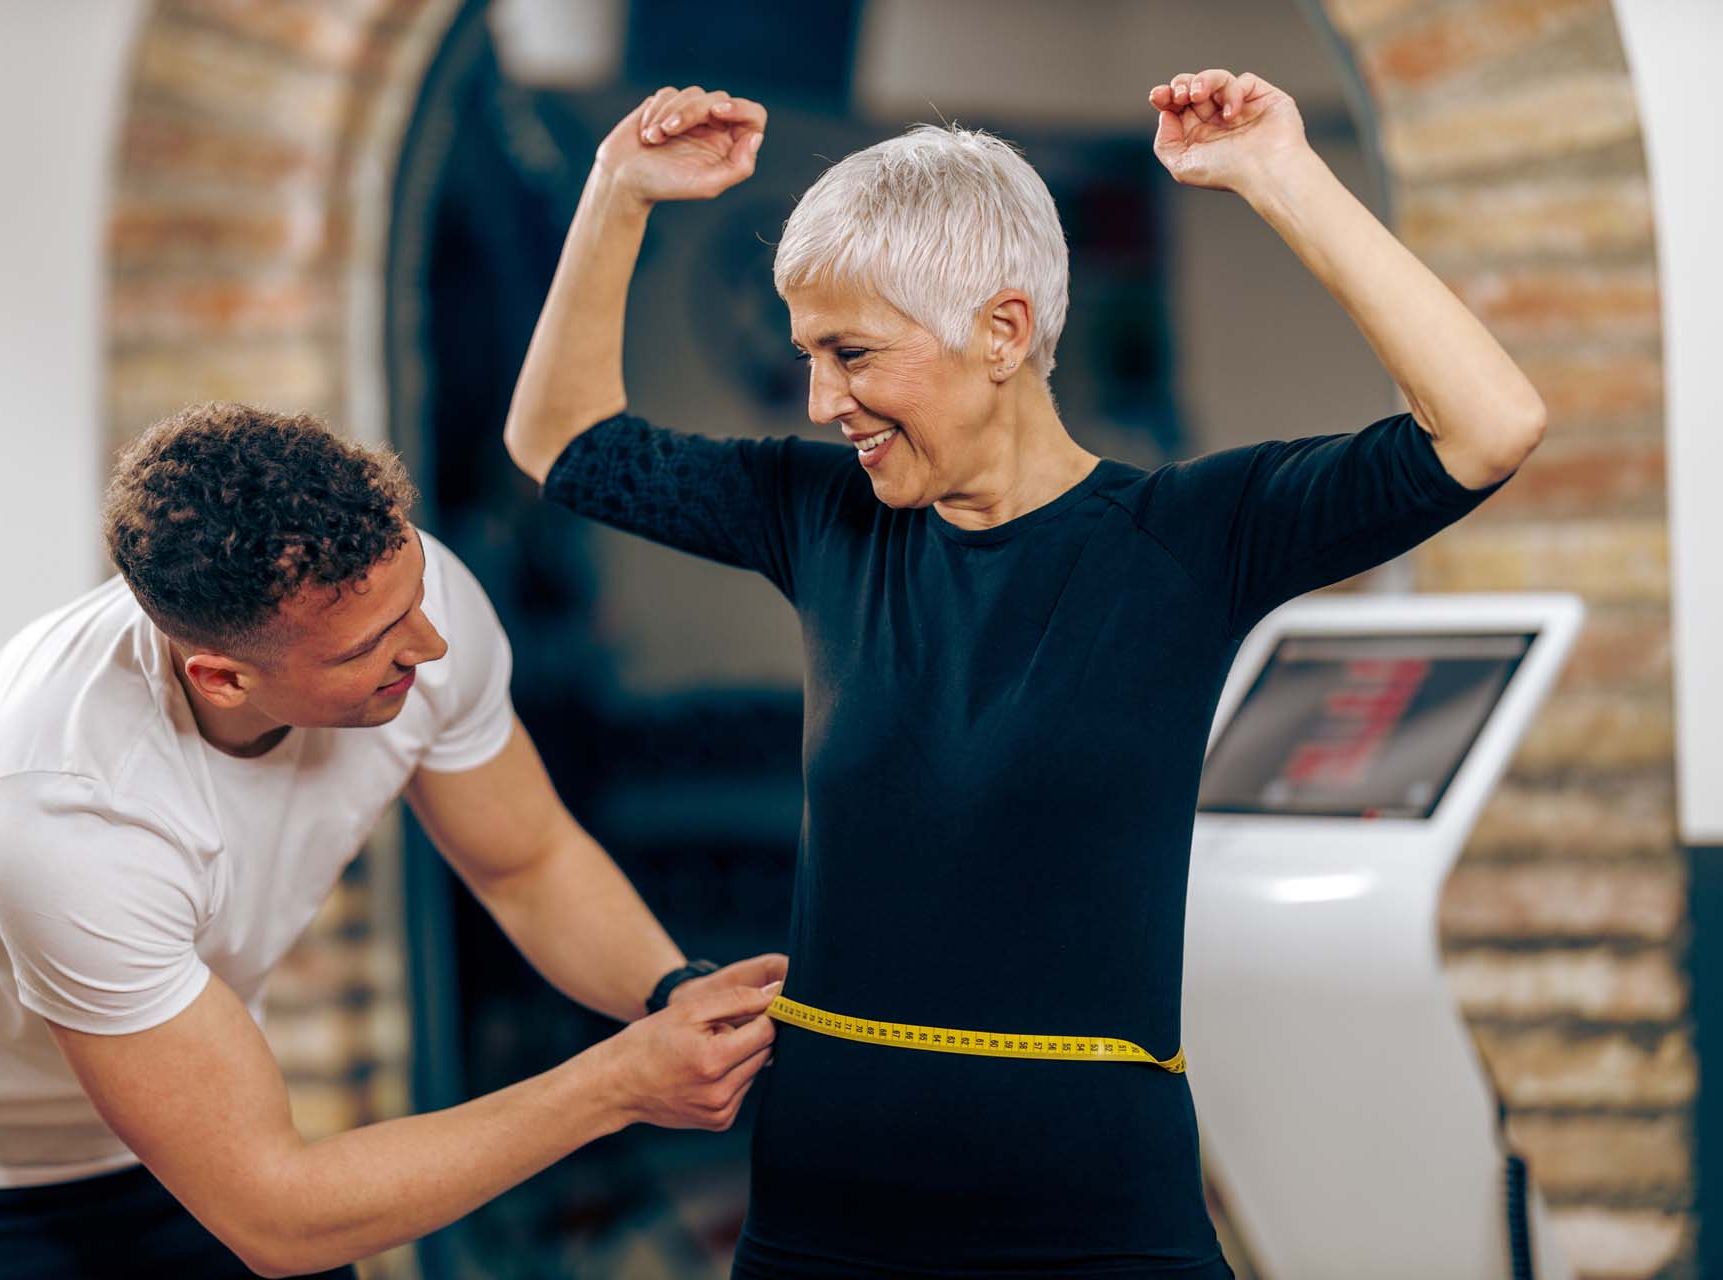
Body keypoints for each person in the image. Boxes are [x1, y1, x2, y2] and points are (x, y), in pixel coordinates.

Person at [503, 69, 1545, 1278]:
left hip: (1095, 1226)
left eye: (852, 352)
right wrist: (616, 190)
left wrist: (1279, 175)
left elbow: (1489, 424)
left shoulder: (1189, 537)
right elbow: (561, 441)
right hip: (821, 1215)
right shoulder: (822, 518)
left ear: (1001, 332)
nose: (820, 398)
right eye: (809, 354)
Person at [0, 402, 787, 1279]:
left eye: (416, 602)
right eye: (370, 647)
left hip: (186, 1153)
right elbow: (276, 1214)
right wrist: (620, 1083)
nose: (431, 649)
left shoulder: (402, 601)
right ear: (222, 677)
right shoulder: (67, 810)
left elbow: (523, 859)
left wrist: (672, 993)